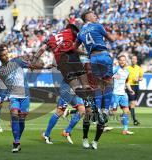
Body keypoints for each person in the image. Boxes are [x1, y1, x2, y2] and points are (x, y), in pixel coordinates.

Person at [34, 24, 86, 144]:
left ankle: (66, 131)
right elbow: (75, 48)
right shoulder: (71, 34)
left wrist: (35, 58)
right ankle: (46, 134)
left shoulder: (53, 38)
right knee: (59, 111)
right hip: (68, 84)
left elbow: (42, 48)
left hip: (71, 80)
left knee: (82, 110)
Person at [76, 10, 115, 149]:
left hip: (93, 61)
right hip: (102, 58)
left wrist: (86, 51)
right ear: (87, 17)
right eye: (93, 14)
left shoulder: (81, 33)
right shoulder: (98, 26)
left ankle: (95, 140)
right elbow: (112, 39)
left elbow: (74, 48)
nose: (95, 16)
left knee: (100, 85)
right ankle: (103, 110)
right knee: (108, 82)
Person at [112, 55, 135, 135]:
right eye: (121, 60)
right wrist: (114, 76)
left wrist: (130, 90)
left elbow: (127, 82)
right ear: (118, 61)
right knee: (113, 112)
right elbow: (107, 77)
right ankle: (100, 119)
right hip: (115, 93)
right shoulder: (115, 69)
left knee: (126, 111)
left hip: (123, 94)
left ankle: (125, 130)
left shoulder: (127, 71)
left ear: (126, 61)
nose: (122, 61)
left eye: (123, 60)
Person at [127, 55, 143, 125]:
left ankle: (124, 113)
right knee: (132, 103)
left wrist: (138, 79)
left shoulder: (139, 68)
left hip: (136, 86)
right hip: (130, 86)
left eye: (135, 59)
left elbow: (141, 78)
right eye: (132, 59)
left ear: (136, 60)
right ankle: (134, 120)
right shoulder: (127, 68)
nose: (133, 60)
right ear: (131, 60)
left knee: (133, 103)